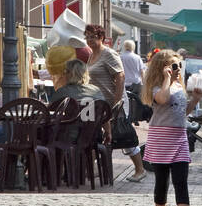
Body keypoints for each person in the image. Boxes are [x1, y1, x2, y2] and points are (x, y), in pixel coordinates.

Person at [140, 51, 202, 206]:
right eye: (174, 66)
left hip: (179, 137)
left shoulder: (178, 86)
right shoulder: (156, 87)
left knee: (181, 181)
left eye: (179, 66)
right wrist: (167, 78)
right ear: (163, 68)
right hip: (161, 138)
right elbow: (163, 99)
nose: (178, 70)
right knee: (162, 182)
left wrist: (195, 100)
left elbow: (182, 112)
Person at [85, 24, 147, 182]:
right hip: (98, 102)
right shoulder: (92, 55)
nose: (89, 40)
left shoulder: (109, 53)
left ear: (101, 37)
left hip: (112, 100)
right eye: (87, 36)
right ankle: (95, 167)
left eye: (92, 36)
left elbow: (120, 77)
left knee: (123, 134)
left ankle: (140, 169)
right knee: (96, 133)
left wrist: (117, 101)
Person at [52, 58, 110, 145]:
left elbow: (50, 112)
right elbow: (104, 115)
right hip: (93, 136)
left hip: (67, 137)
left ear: (69, 74)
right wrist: (108, 132)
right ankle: (89, 157)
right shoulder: (96, 90)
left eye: (65, 72)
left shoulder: (62, 92)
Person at [120, 40, 146, 121]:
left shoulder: (120, 57)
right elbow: (142, 71)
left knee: (123, 100)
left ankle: (124, 115)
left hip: (123, 83)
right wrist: (144, 82)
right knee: (137, 100)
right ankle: (136, 116)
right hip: (135, 83)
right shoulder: (137, 57)